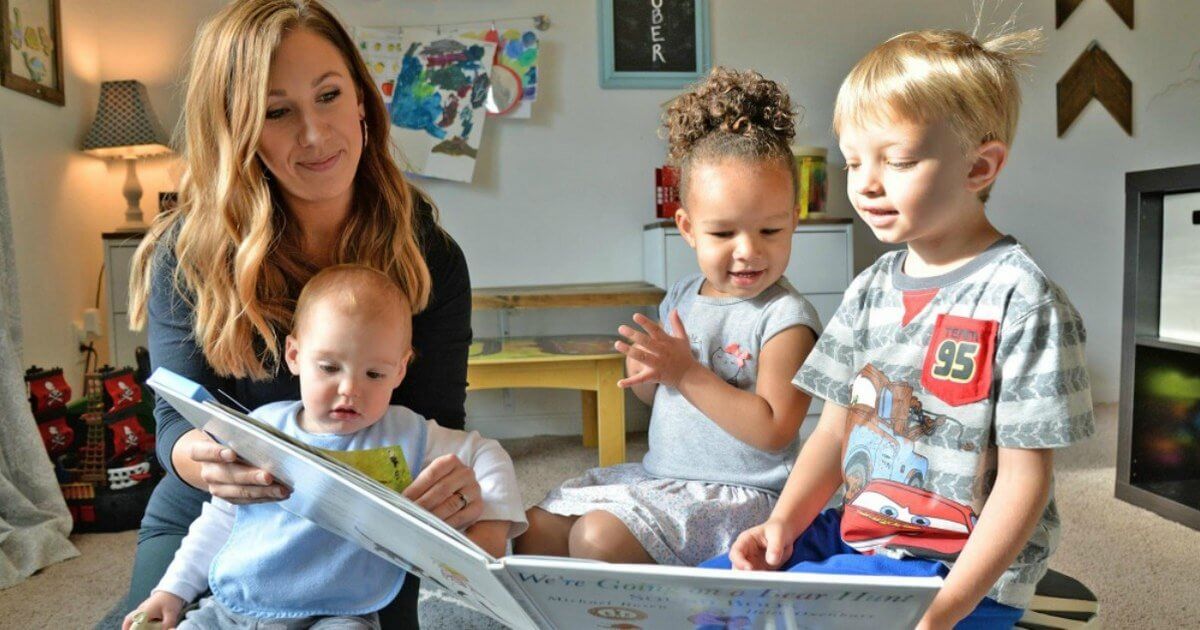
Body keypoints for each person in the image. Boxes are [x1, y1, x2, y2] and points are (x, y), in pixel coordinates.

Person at [703, 28, 1096, 629]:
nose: (865, 183)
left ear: (980, 165)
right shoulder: (869, 289)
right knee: (705, 590)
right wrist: (783, 523)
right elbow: (833, 434)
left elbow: (1025, 481)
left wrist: (945, 610)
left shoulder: (1022, 299)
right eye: (854, 161)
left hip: (956, 570)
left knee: (774, 616)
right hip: (865, 534)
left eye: (899, 160)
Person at [121, 1, 475, 626]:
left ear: (363, 101)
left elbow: (437, 421)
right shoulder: (189, 252)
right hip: (220, 514)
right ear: (238, 131)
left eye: (330, 95)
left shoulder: (430, 258)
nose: (315, 134)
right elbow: (174, 424)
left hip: (368, 523)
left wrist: (453, 485)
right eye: (277, 112)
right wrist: (207, 462)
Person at [515, 68, 821, 567]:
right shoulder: (681, 296)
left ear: (794, 218)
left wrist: (685, 372)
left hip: (741, 497)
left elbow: (774, 430)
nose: (748, 251)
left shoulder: (786, 317)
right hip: (663, 478)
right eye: (724, 234)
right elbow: (656, 396)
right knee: (533, 531)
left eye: (770, 229)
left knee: (597, 540)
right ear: (687, 228)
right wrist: (648, 373)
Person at [123, 266, 525, 630]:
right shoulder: (264, 429)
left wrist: (490, 529)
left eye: (374, 373)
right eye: (330, 368)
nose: (350, 388)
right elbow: (218, 522)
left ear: (400, 370)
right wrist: (171, 593)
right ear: (295, 355)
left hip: (341, 612)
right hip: (238, 607)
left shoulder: (409, 434)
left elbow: (487, 453)